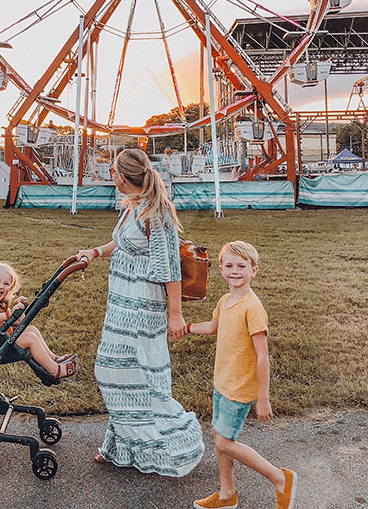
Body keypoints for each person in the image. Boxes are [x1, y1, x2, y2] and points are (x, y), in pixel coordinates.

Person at [76, 148, 204, 477]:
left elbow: (170, 268)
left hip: (143, 306)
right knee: (119, 371)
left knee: (134, 373)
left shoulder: (155, 215)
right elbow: (121, 243)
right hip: (122, 302)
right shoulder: (132, 207)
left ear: (122, 176)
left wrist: (175, 315)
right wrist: (94, 252)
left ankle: (168, 441)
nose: (110, 174)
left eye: (113, 170)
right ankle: (120, 445)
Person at [187, 241, 296, 509]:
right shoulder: (225, 301)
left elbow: (263, 356)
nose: (235, 271)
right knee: (221, 438)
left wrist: (263, 398)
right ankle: (227, 495)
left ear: (253, 270)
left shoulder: (253, 308)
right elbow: (214, 326)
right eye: (229, 265)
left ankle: (280, 478)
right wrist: (187, 327)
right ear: (221, 270)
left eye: (241, 266)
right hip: (223, 383)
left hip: (241, 387)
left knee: (224, 442)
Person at [0, 262, 77, 380]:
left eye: (6, 284)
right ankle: (55, 370)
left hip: (5, 337)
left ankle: (54, 358)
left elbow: (17, 323)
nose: (1, 286)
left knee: (32, 329)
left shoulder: (1, 302)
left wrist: (19, 310)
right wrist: (10, 313)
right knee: (30, 338)